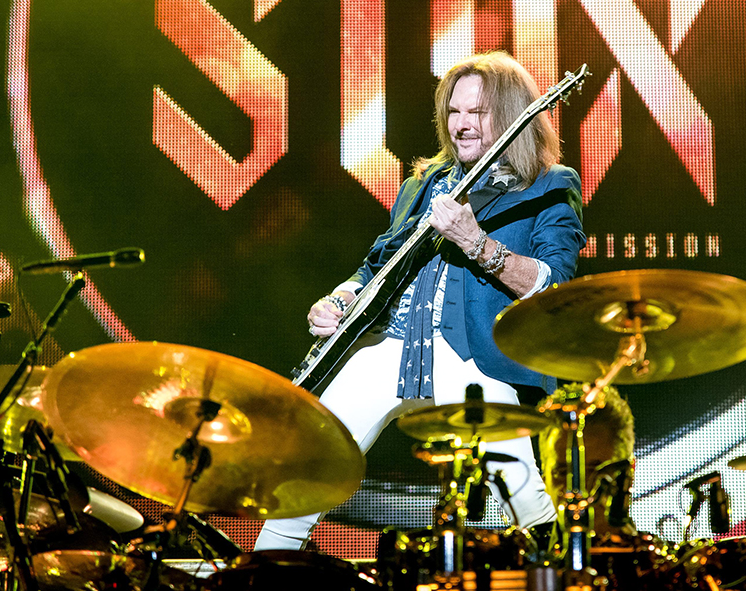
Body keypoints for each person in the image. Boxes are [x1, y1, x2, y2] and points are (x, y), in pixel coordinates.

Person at [255, 51, 586, 550]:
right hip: (394, 347)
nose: (462, 124)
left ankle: (563, 574)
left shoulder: (548, 184)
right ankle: (261, 577)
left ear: (514, 111)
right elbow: (375, 265)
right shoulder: (423, 183)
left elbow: (555, 285)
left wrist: (478, 244)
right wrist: (340, 298)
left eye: (478, 112)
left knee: (522, 498)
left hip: (475, 356)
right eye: (454, 112)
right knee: (306, 470)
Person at [538, 383, 638, 542]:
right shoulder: (520, 560)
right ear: (544, 480)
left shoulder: (665, 564)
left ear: (628, 474)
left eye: (596, 471)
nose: (580, 489)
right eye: (563, 472)